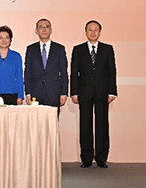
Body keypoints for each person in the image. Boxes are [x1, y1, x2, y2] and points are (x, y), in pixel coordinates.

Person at [71, 20, 117, 168]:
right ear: (85, 32)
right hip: (84, 93)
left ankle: (102, 158)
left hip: (103, 92)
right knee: (85, 125)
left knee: (102, 125)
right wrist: (74, 92)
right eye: (90, 30)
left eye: (95, 30)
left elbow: (112, 71)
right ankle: (86, 158)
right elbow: (74, 73)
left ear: (99, 32)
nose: (92, 32)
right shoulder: (78, 49)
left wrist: (112, 92)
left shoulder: (107, 49)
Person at [24, 19, 68, 111]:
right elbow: (28, 72)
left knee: (52, 123)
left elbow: (64, 72)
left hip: (54, 93)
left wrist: (64, 93)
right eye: (41, 27)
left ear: (51, 30)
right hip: (35, 93)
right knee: (36, 124)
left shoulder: (59, 49)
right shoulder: (31, 49)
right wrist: (28, 92)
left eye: (46, 27)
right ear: (36, 31)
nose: (44, 30)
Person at [0, 26, 24, 105]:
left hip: (12, 94)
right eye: (1, 37)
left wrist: (20, 96)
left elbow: (19, 77)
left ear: (10, 40)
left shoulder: (16, 56)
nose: (4, 40)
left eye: (7, 37)